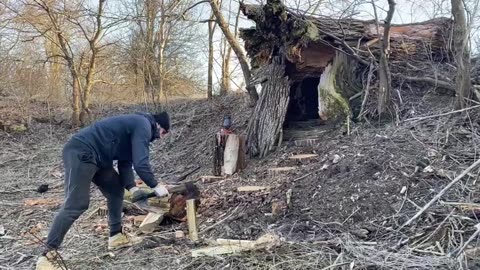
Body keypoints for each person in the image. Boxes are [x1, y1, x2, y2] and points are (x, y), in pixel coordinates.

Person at [36, 112, 171, 270]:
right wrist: (155, 185)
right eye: (163, 133)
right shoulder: (143, 124)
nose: (161, 138)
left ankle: (116, 236)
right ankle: (47, 256)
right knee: (76, 204)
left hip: (99, 158)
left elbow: (126, 163)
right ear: (159, 125)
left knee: (115, 190)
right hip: (82, 151)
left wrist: (133, 188)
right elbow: (141, 163)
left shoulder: (136, 126)